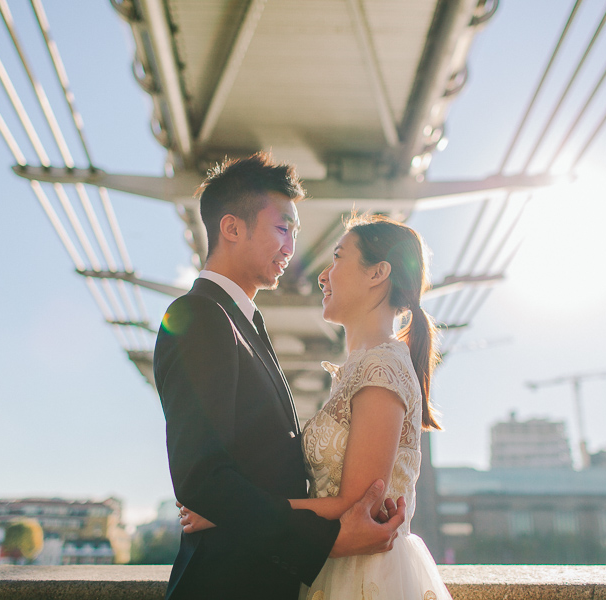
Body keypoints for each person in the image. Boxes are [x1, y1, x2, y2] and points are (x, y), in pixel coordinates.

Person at [153, 153, 407, 600]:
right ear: (232, 228)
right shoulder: (198, 317)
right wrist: (328, 540)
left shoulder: (246, 324)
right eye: (282, 228)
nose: (291, 247)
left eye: (295, 232)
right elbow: (202, 478)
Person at [181, 214, 451, 599]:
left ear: (378, 273)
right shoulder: (364, 367)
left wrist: (230, 514)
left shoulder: (382, 367)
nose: (324, 275)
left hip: (364, 576)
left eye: (338, 258)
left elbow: (355, 505)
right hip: (337, 566)